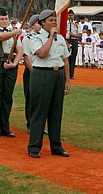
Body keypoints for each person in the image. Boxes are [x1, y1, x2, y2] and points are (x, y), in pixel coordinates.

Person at [27, 9, 72, 158]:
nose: (54, 23)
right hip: (42, 74)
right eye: (50, 20)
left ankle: (56, 145)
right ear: (42, 23)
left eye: (55, 20)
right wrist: (51, 36)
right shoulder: (35, 37)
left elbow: (65, 59)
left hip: (57, 74)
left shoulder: (60, 39)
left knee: (56, 112)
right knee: (39, 111)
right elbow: (42, 53)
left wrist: (67, 80)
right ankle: (34, 146)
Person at [0, 7, 22, 138]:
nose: (4, 21)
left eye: (6, 19)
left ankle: (5, 127)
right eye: (2, 19)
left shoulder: (12, 32)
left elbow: (20, 50)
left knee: (7, 96)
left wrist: (15, 63)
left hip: (11, 64)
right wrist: (14, 33)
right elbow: (0, 37)